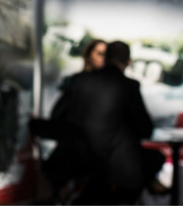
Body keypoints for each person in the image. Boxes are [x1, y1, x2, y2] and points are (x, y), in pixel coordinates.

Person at [50, 41, 165, 204]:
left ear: (106, 58)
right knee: (151, 160)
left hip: (74, 160)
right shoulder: (129, 86)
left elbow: (56, 116)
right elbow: (145, 129)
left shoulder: (79, 80)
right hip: (113, 166)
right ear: (128, 61)